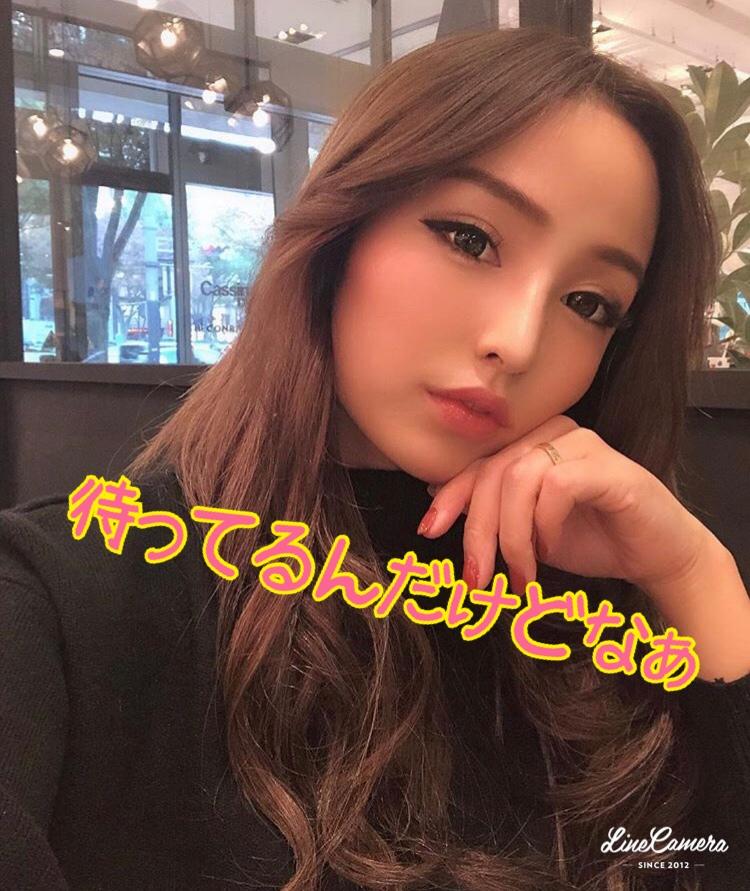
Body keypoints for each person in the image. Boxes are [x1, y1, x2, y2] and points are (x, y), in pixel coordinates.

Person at [1, 26, 748, 891]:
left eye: (589, 302)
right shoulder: (64, 599)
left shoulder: (596, 613)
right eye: (470, 238)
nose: (517, 341)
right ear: (341, 226)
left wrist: (694, 574)